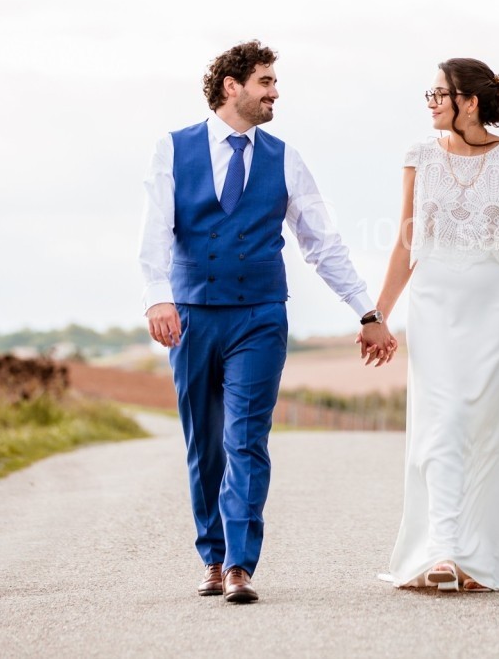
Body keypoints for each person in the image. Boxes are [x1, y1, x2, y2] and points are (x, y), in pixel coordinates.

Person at [138, 40, 397, 604]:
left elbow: (321, 242)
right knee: (205, 442)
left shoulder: (286, 158)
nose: (275, 92)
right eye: (265, 81)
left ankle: (239, 564)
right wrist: (158, 296)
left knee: (246, 439)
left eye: (274, 82)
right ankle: (212, 556)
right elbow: (157, 228)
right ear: (231, 86)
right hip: (191, 316)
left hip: (259, 317)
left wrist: (366, 310)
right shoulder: (173, 148)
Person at [373, 57, 499, 592]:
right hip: (433, 303)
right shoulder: (418, 156)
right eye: (430, 94)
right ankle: (442, 549)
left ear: (470, 101)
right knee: (444, 420)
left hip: (494, 303)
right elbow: (405, 242)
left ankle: (482, 556)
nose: (431, 103)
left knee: (486, 425)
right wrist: (378, 314)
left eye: (439, 94)